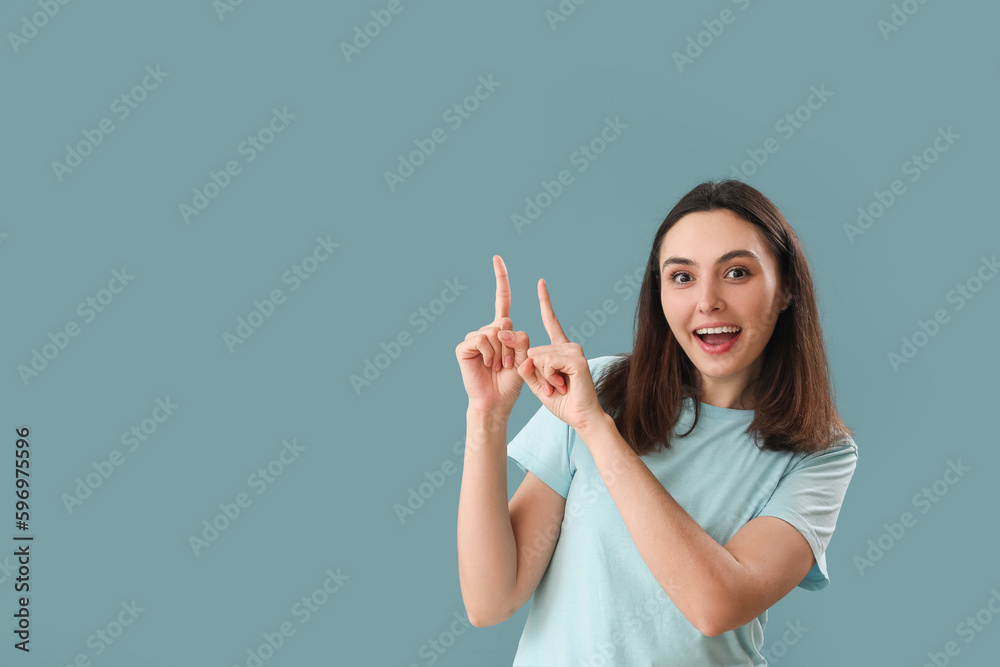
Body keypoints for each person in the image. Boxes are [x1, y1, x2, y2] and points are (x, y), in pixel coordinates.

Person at [455, 179, 859, 666]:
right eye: (682, 277)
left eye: (736, 272)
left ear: (786, 288)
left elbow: (716, 606)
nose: (707, 301)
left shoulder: (819, 451)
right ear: (660, 293)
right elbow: (489, 601)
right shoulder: (599, 386)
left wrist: (597, 429)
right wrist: (487, 417)